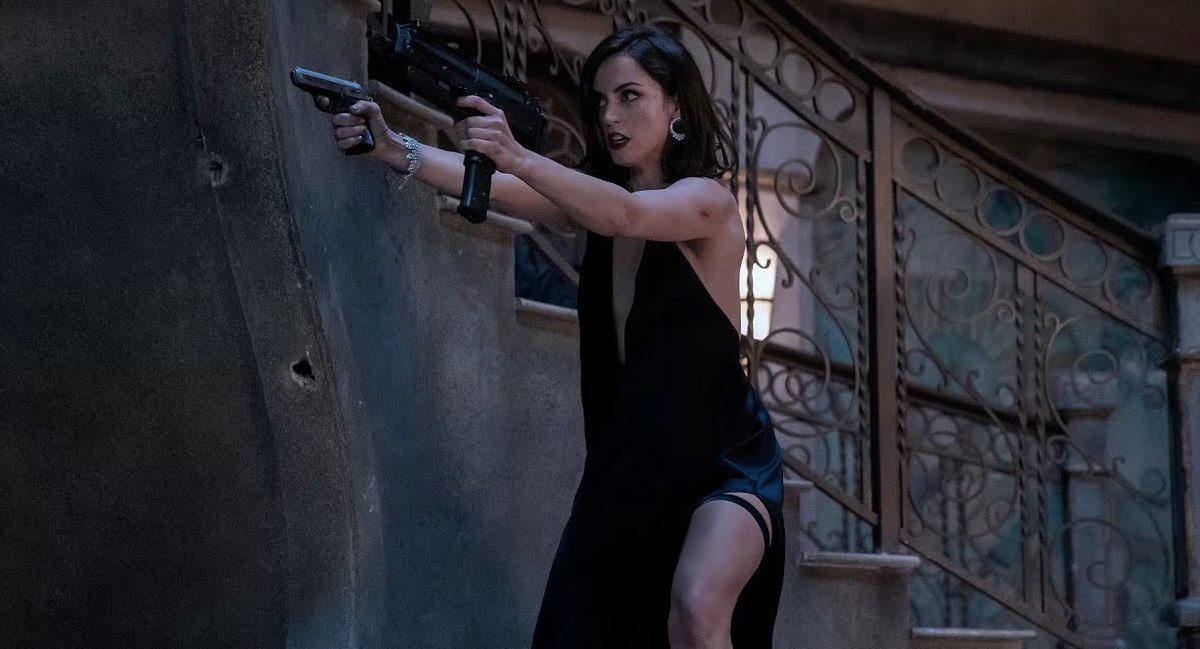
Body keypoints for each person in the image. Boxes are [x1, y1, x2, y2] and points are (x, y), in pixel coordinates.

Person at [329, 25, 784, 649]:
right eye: (600, 101)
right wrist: (394, 149)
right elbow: (504, 190)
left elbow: (626, 215)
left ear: (676, 104)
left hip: (723, 460)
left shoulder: (708, 203)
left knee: (698, 609)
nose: (609, 116)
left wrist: (518, 154)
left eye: (630, 96)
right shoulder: (596, 201)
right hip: (627, 467)